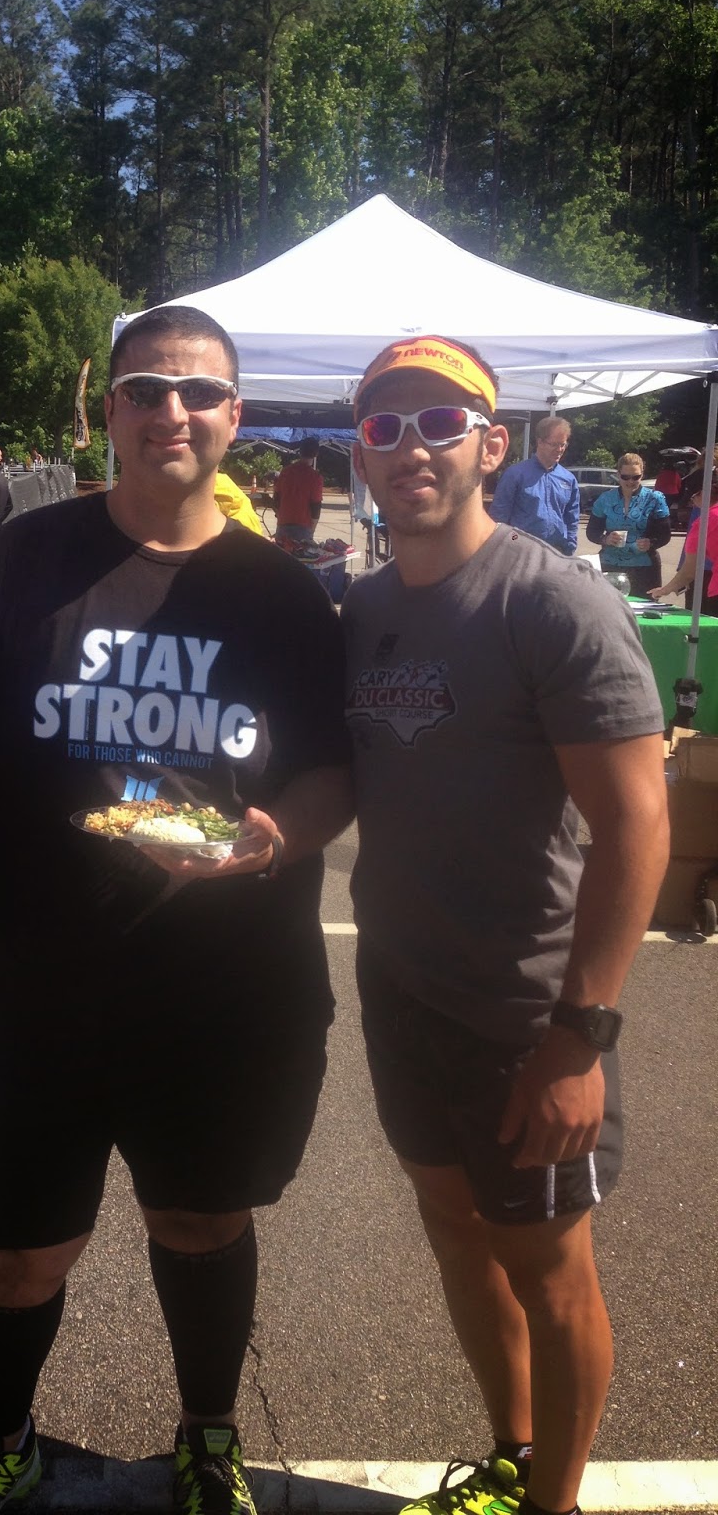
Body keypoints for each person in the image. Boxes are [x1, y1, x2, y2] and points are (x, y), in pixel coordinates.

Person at [0, 304, 353, 1515]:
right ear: (110, 408)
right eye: (146, 389)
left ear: (235, 417)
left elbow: (331, 772)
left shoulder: (283, 595)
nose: (172, 412)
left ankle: (209, 1440)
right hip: (28, 987)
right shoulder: (24, 559)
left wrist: (272, 837)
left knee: (202, 1222)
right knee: (5, 1254)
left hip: (223, 991)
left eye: (198, 392)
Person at [343, 336, 668, 1515]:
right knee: (454, 1226)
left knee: (550, 1266)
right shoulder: (365, 605)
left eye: (441, 423)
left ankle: (554, 1504)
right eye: (384, 427)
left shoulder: (552, 601)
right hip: (403, 990)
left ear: (492, 445)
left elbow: (638, 828)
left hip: (527, 1011)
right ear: (361, 457)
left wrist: (582, 1036)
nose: (411, 447)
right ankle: (512, 1458)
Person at [489, 416, 579, 554]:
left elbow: (572, 518)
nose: (559, 449)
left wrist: (570, 546)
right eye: (554, 444)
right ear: (540, 442)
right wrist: (511, 544)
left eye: (563, 444)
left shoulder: (568, 479)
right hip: (521, 552)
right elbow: (499, 517)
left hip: (556, 553)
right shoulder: (515, 474)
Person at [585, 453, 670, 596]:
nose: (630, 481)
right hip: (610, 565)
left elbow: (665, 534)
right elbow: (592, 531)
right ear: (618, 475)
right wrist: (605, 539)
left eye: (636, 477)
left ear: (642, 475)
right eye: (625, 477)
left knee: (642, 609)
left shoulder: (655, 498)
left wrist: (651, 543)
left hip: (644, 568)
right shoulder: (605, 499)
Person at [649, 466, 718, 616]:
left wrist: (665, 590)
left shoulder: (705, 522)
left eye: (692, 498)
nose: (692, 503)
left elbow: (689, 571)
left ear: (702, 493)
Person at [272, 438, 324, 543]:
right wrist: (312, 530)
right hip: (303, 526)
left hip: (283, 523)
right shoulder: (315, 477)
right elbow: (316, 507)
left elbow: (276, 499)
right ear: (316, 454)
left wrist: (280, 515)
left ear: (300, 451)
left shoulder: (285, 472)